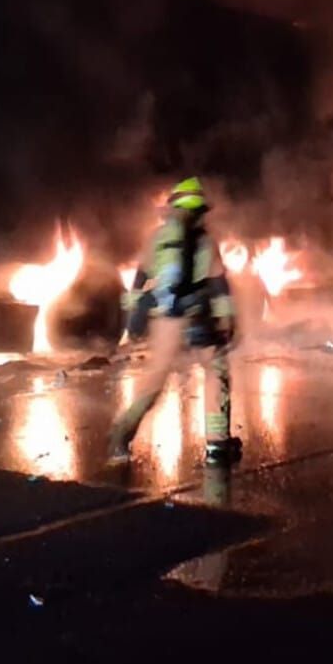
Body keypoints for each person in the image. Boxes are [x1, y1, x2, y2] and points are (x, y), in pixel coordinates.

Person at [108, 177, 241, 465]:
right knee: (216, 371)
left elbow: (140, 279)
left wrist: (133, 322)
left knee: (154, 381)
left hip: (166, 318)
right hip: (198, 315)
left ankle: (121, 435)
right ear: (201, 210)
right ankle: (217, 446)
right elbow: (218, 283)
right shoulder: (206, 241)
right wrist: (226, 317)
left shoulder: (157, 239)